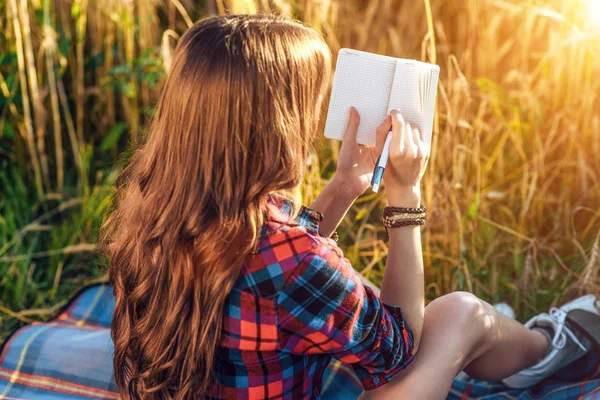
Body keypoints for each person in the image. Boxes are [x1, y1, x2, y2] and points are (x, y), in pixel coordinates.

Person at [101, 14, 597, 400]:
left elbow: (258, 266)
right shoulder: (295, 262)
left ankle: (524, 346)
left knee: (373, 302)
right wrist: (405, 198)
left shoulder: (153, 206)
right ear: (274, 124)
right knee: (462, 315)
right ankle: (552, 347)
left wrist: (342, 187)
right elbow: (398, 351)